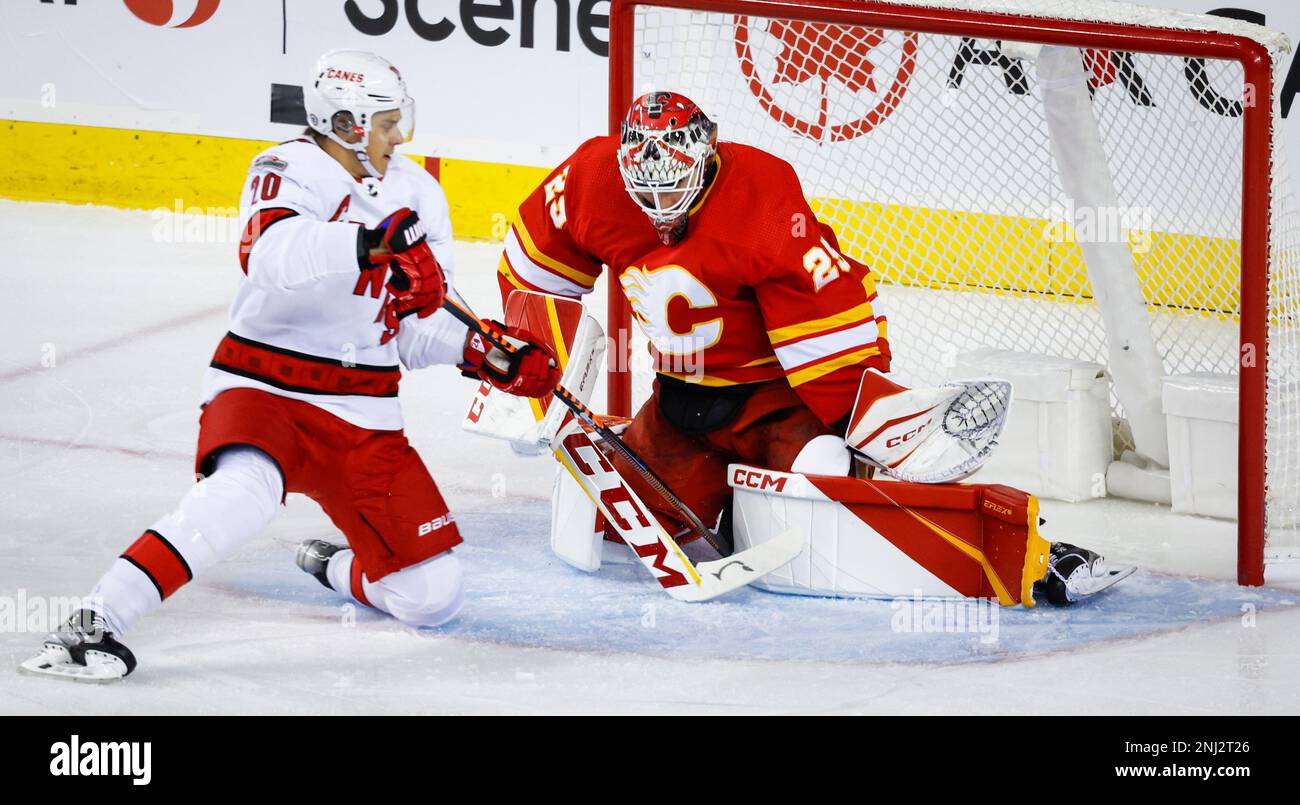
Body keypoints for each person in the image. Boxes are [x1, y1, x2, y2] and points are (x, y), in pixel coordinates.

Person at [21, 50, 559, 683]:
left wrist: (483, 354)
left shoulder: (418, 192)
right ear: (346, 123)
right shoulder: (286, 166)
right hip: (264, 384)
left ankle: (330, 566)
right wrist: (370, 244)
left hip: (363, 410)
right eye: (385, 123)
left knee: (434, 598)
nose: (398, 136)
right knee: (239, 497)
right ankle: (92, 623)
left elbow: (408, 329)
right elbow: (268, 253)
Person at [500, 91, 1128, 606]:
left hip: (774, 406)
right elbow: (531, 269)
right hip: (678, 408)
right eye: (648, 195)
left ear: (707, 157)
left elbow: (822, 319)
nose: (662, 212)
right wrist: (536, 369)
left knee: (823, 490)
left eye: (675, 190)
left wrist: (865, 415)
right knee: (622, 530)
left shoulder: (762, 197)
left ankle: (1038, 552)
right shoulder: (590, 178)